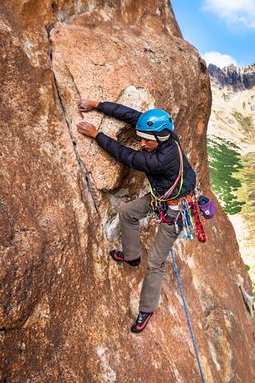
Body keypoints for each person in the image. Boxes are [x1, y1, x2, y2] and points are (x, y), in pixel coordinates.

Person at [76, 99, 196, 333]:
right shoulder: (165, 134)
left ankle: (146, 309)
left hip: (177, 208)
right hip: (162, 197)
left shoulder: (160, 159)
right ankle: (131, 256)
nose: (141, 143)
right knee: (127, 212)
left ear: (160, 138)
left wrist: (96, 134)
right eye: (141, 138)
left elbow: (127, 157)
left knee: (155, 263)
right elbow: (132, 116)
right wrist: (98, 105)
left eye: (145, 140)